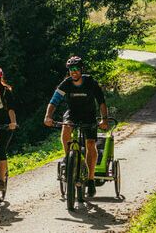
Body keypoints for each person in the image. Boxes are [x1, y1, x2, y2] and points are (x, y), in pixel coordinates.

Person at [43, 56, 108, 197]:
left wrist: (104, 119)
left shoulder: (91, 82)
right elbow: (54, 101)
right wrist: (48, 116)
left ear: (81, 69)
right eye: (71, 69)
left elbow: (101, 102)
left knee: (90, 144)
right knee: (66, 128)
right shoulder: (66, 83)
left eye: (76, 69)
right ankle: (68, 158)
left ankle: (90, 179)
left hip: (89, 115)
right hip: (72, 113)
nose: (74, 72)